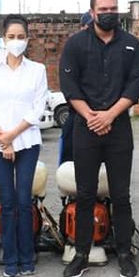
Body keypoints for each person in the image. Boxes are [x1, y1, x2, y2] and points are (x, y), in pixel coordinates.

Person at [59, 0, 139, 277]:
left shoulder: (131, 44)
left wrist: (109, 115)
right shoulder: (75, 44)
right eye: (103, 9)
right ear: (92, 12)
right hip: (85, 128)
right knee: (85, 194)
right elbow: (69, 86)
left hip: (118, 128)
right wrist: (92, 117)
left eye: (113, 8)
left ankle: (124, 253)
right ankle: (81, 254)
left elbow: (136, 84)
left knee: (121, 195)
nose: (109, 13)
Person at [0, 15, 48, 277]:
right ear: (3, 39)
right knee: (7, 202)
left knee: (24, 201)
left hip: (27, 141)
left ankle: (27, 256)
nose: (16, 41)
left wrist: (12, 136)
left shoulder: (37, 70)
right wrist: (4, 138)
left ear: (27, 39)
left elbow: (38, 109)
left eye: (21, 37)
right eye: (11, 37)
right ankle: (10, 259)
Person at [58, 11, 93, 165]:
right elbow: (69, 85)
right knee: (69, 167)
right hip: (77, 116)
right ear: (82, 27)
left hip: (104, 119)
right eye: (89, 26)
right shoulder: (72, 50)